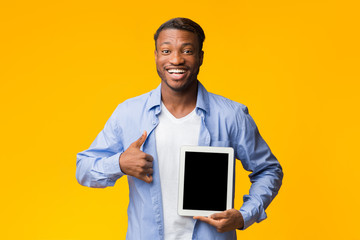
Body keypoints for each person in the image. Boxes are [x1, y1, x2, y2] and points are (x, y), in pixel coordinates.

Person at [76, 17, 283, 240]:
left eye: (187, 51)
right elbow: (84, 168)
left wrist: (244, 216)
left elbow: (269, 170)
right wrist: (119, 163)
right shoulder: (128, 113)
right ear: (156, 56)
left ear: (200, 57)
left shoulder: (231, 115)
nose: (176, 59)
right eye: (166, 51)